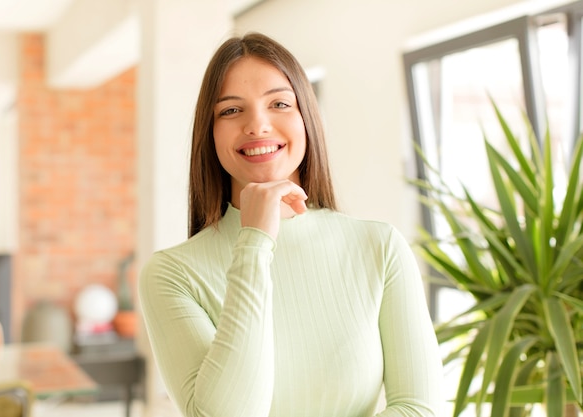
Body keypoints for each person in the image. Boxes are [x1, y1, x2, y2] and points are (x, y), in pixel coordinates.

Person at [139, 32, 443, 417]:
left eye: (279, 103)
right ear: (210, 133)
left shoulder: (379, 246)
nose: (258, 125)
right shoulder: (170, 274)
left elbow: (420, 408)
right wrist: (254, 244)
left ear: (307, 118)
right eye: (231, 111)